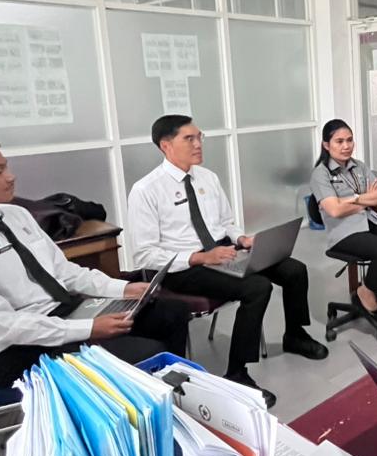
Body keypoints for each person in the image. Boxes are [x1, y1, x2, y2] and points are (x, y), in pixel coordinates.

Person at [0, 133, 192, 389]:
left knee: (170, 313)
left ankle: (172, 400)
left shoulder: (15, 215)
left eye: (6, 167)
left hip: (63, 315)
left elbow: (64, 272)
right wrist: (88, 329)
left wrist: (122, 289)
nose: (10, 177)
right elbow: (0, 326)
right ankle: (138, 413)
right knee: (144, 352)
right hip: (11, 351)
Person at [125, 115, 327, 409]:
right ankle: (237, 373)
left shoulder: (207, 178)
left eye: (199, 137)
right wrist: (200, 257)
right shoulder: (146, 190)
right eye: (189, 138)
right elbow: (144, 254)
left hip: (222, 252)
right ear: (165, 145)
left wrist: (241, 238)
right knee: (257, 288)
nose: (198, 144)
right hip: (183, 267)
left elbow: (225, 222)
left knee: (293, 269)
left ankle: (295, 335)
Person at [309, 119, 377, 319]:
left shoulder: (359, 166)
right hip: (343, 231)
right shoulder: (320, 174)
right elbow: (334, 211)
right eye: (339, 141)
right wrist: (365, 199)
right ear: (326, 145)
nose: (346, 146)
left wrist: (353, 199)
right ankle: (366, 290)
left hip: (370, 219)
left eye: (350, 140)